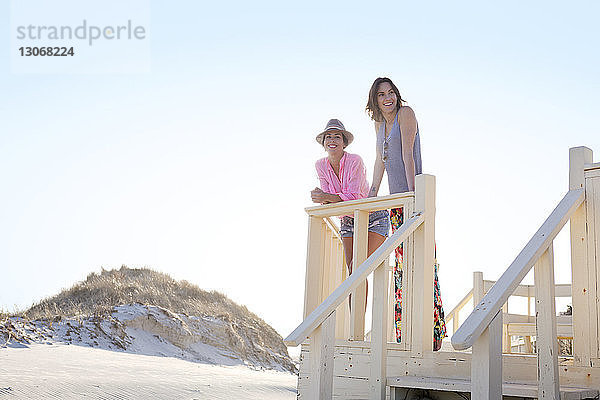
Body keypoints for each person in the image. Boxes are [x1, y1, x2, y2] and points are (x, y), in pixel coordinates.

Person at [366, 77, 446, 350]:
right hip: (395, 203)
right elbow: (380, 161)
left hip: (413, 199)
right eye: (381, 95)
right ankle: (407, 332)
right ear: (374, 100)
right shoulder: (379, 124)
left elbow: (408, 154)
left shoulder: (405, 114)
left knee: (422, 261)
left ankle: (432, 334)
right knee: (403, 267)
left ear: (397, 95)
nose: (387, 98)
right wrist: (371, 195)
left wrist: (414, 198)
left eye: (390, 93)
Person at [311, 119, 389, 309]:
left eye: (337, 136)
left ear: (344, 142)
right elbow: (327, 198)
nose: (332, 140)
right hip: (347, 221)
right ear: (323, 143)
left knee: (358, 268)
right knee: (353, 273)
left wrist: (327, 196)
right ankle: (357, 329)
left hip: (373, 217)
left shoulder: (355, 160)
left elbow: (353, 197)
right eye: (328, 137)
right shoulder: (321, 165)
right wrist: (325, 197)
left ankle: (357, 332)